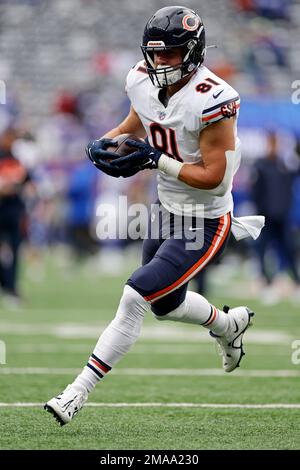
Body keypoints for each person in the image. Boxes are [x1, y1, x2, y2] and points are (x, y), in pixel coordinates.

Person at [45, 6, 263, 426]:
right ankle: (226, 324)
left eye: (171, 55)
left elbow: (215, 179)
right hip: (165, 208)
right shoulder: (140, 80)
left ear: (194, 52)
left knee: (135, 295)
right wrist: (105, 142)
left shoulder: (215, 99)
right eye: (155, 54)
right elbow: (137, 123)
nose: (160, 63)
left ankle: (76, 392)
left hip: (205, 218)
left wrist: (155, 161)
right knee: (166, 304)